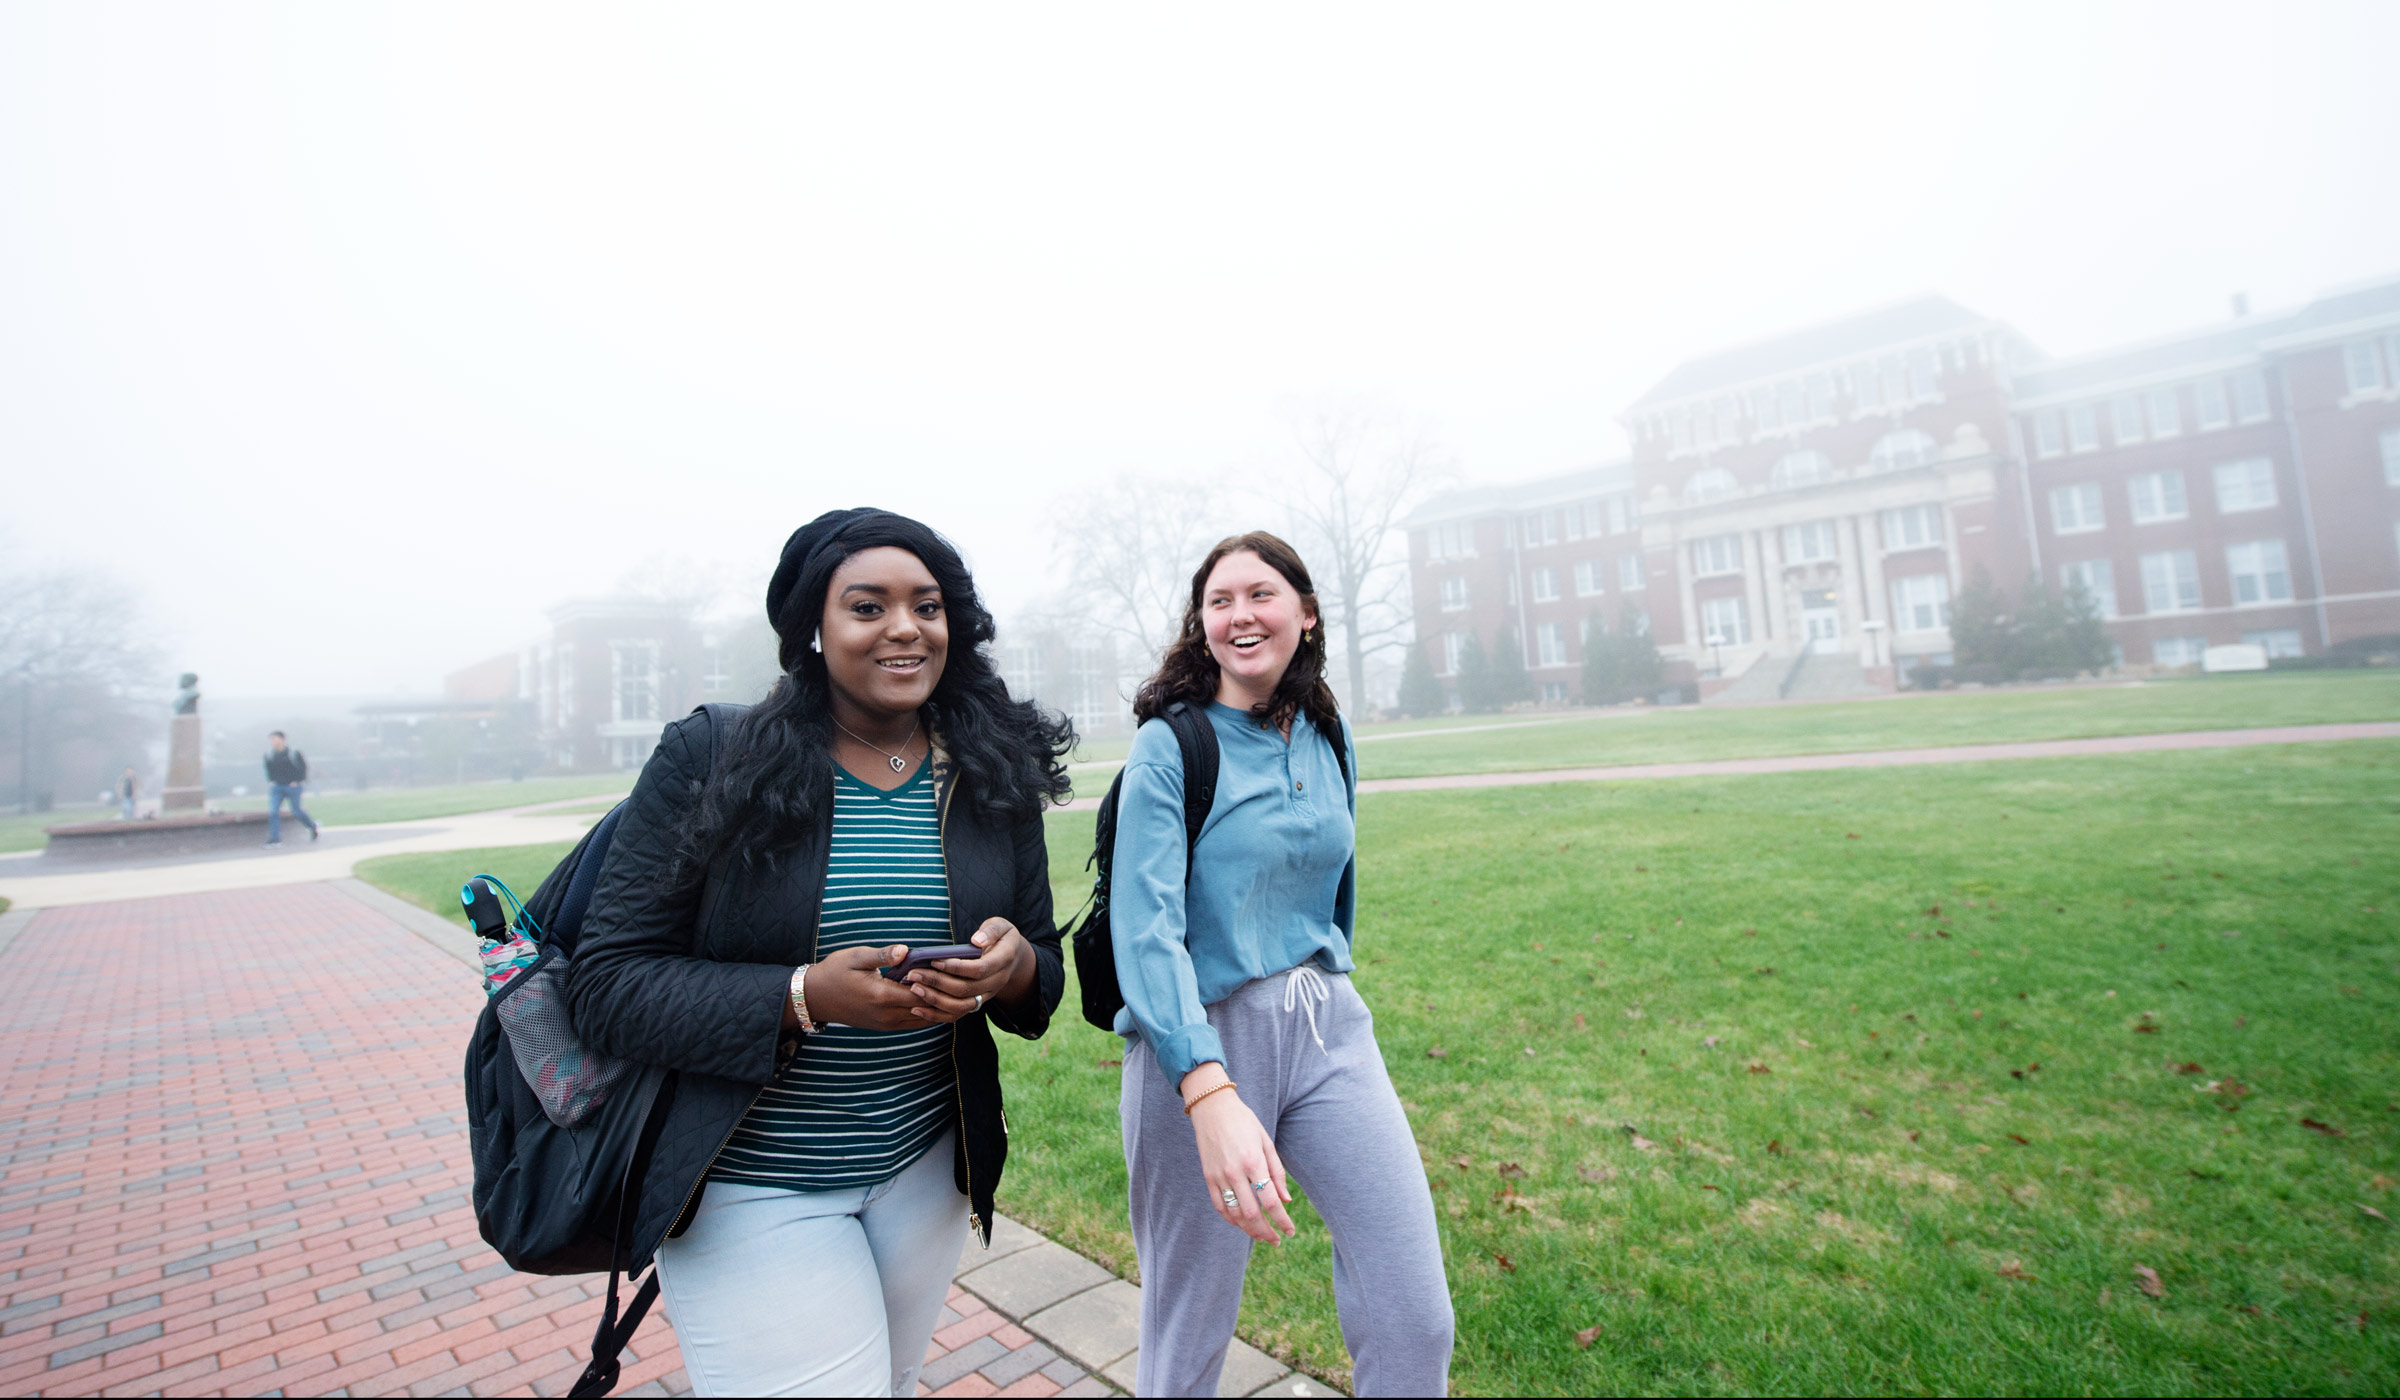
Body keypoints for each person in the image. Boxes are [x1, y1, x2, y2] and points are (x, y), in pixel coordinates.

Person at [568, 508, 1074, 1398]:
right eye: (868, 607)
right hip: (747, 1183)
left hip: (924, 1169)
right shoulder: (714, 754)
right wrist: (805, 996)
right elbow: (608, 985)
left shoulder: (990, 767)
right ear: (814, 626)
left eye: (927, 605)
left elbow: (1040, 966)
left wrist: (1011, 967)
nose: (905, 628)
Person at [1111, 532, 1454, 1397]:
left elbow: (1334, 882)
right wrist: (1206, 1088)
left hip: (1328, 1025)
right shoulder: (1171, 747)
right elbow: (1144, 932)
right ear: (1201, 625)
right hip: (1199, 1045)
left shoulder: (1328, 732)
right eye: (1219, 601)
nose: (1239, 615)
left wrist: (1328, 979)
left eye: (1259, 594)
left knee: (1415, 1312)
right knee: (1188, 1335)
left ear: (1305, 613)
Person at [262, 731, 318, 844]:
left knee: (296, 811)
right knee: (273, 812)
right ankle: (275, 838)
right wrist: (271, 781)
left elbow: (303, 768)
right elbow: (268, 770)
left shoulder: (293, 753)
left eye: (275, 739)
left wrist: (297, 781)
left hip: (292, 786)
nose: (272, 741)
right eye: (271, 739)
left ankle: (312, 826)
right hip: (277, 787)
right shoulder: (269, 755)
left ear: (282, 740)